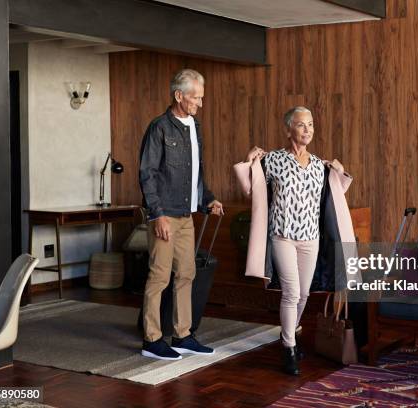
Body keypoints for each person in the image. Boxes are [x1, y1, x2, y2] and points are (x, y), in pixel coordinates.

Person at [234, 106, 355, 375]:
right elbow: (250, 189)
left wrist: (340, 172)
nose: (308, 129)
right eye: (301, 125)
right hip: (282, 236)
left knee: (304, 294)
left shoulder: (319, 166)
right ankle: (288, 347)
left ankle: (289, 334)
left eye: (311, 124)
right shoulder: (273, 160)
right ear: (289, 129)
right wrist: (249, 159)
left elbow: (334, 197)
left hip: (310, 238)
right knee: (290, 293)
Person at [139, 69, 223, 360]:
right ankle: (152, 340)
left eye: (201, 97)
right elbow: (147, 174)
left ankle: (182, 335)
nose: (199, 103)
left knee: (186, 274)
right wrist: (156, 215)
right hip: (164, 215)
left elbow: (195, 171)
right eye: (195, 97)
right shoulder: (159, 127)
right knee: (159, 276)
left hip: (187, 215)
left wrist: (208, 198)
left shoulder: (194, 126)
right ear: (179, 95)